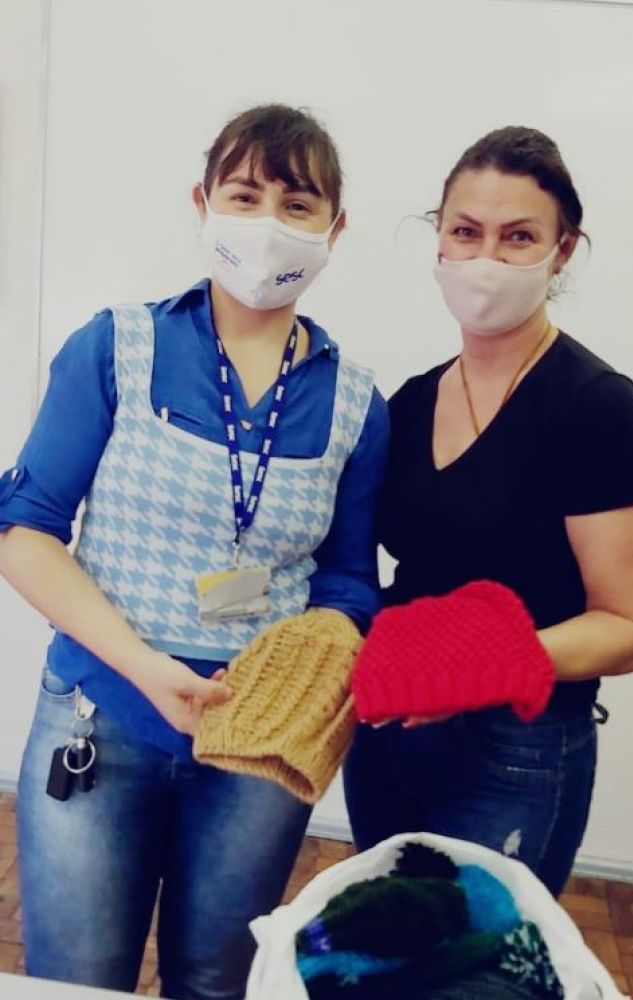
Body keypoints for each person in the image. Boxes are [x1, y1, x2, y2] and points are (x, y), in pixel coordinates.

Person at [0, 103, 388, 999]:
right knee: (77, 981)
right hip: (100, 717)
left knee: (217, 980)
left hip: (258, 750)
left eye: (297, 205)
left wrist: (316, 661)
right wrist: (144, 669)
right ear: (202, 203)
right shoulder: (117, 346)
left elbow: (346, 579)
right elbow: (25, 533)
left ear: (334, 229)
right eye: (244, 196)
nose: (268, 223)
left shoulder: (357, 404)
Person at [344, 126, 633, 898]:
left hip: (516, 751)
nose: (485, 258)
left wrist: (474, 670)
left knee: (477, 958)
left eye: (517, 236)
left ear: (562, 251)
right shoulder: (412, 401)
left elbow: (627, 630)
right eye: (465, 232)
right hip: (391, 734)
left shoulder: (597, 410)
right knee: (386, 942)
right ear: (439, 240)